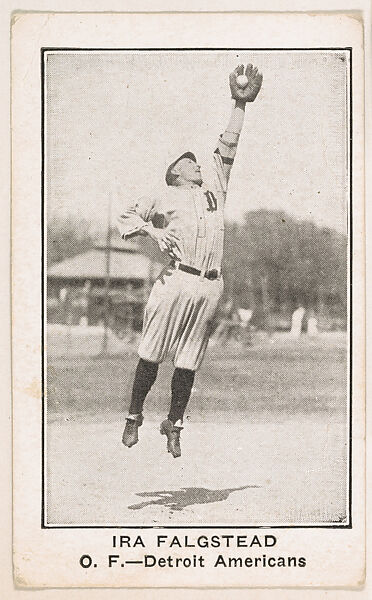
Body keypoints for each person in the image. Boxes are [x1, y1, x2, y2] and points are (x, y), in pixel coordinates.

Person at [117, 64, 263, 457]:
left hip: (210, 283)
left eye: (197, 161)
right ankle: (134, 416)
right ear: (176, 173)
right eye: (190, 162)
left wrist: (239, 103)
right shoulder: (162, 195)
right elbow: (127, 219)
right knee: (152, 350)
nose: (197, 164)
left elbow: (229, 143)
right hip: (177, 279)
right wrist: (153, 231)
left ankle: (174, 424)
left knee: (189, 357)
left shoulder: (214, 186)